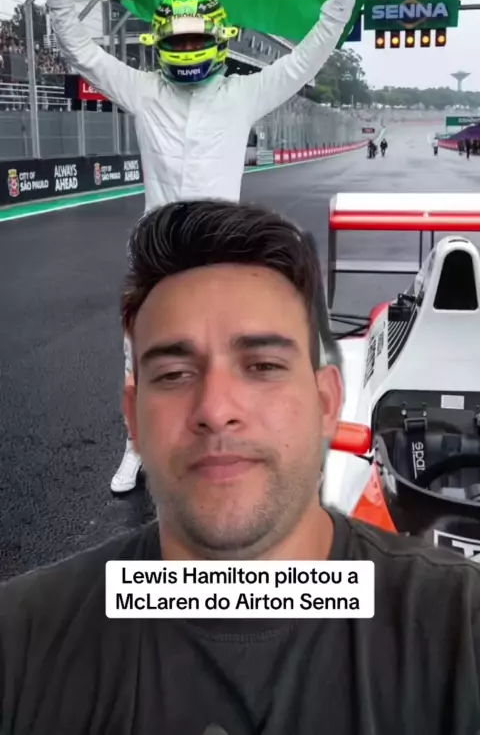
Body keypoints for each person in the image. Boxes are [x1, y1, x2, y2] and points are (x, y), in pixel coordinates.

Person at [1, 198, 480, 735]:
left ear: (327, 404)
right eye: (175, 374)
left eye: (262, 366)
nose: (216, 409)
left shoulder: (462, 627)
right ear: (132, 419)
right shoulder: (20, 641)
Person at [41, 0, 369, 495]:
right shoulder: (142, 89)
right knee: (141, 355)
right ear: (161, 40)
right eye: (178, 38)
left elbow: (310, 54)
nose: (187, 46)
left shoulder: (244, 93)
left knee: (229, 354)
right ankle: (136, 449)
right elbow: (78, 48)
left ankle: (235, 446)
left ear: (217, 38)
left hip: (224, 254)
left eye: (196, 37)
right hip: (157, 254)